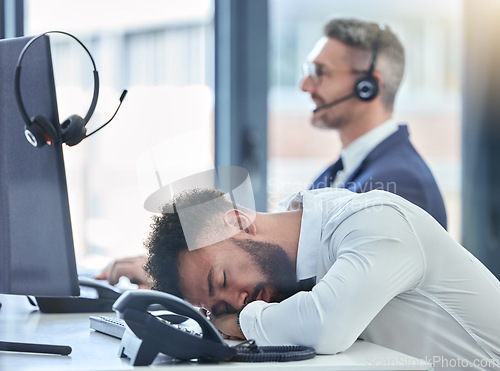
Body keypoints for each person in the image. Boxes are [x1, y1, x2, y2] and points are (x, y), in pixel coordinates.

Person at [140, 187, 499, 371]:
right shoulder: (294, 265)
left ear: (238, 222)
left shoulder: (373, 220)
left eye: (221, 279)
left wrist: (240, 322)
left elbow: (326, 326)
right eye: (216, 308)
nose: (235, 302)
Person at [301, 18, 447, 229]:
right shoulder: (337, 172)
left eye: (319, 72)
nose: (305, 86)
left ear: (367, 87)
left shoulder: (398, 184)